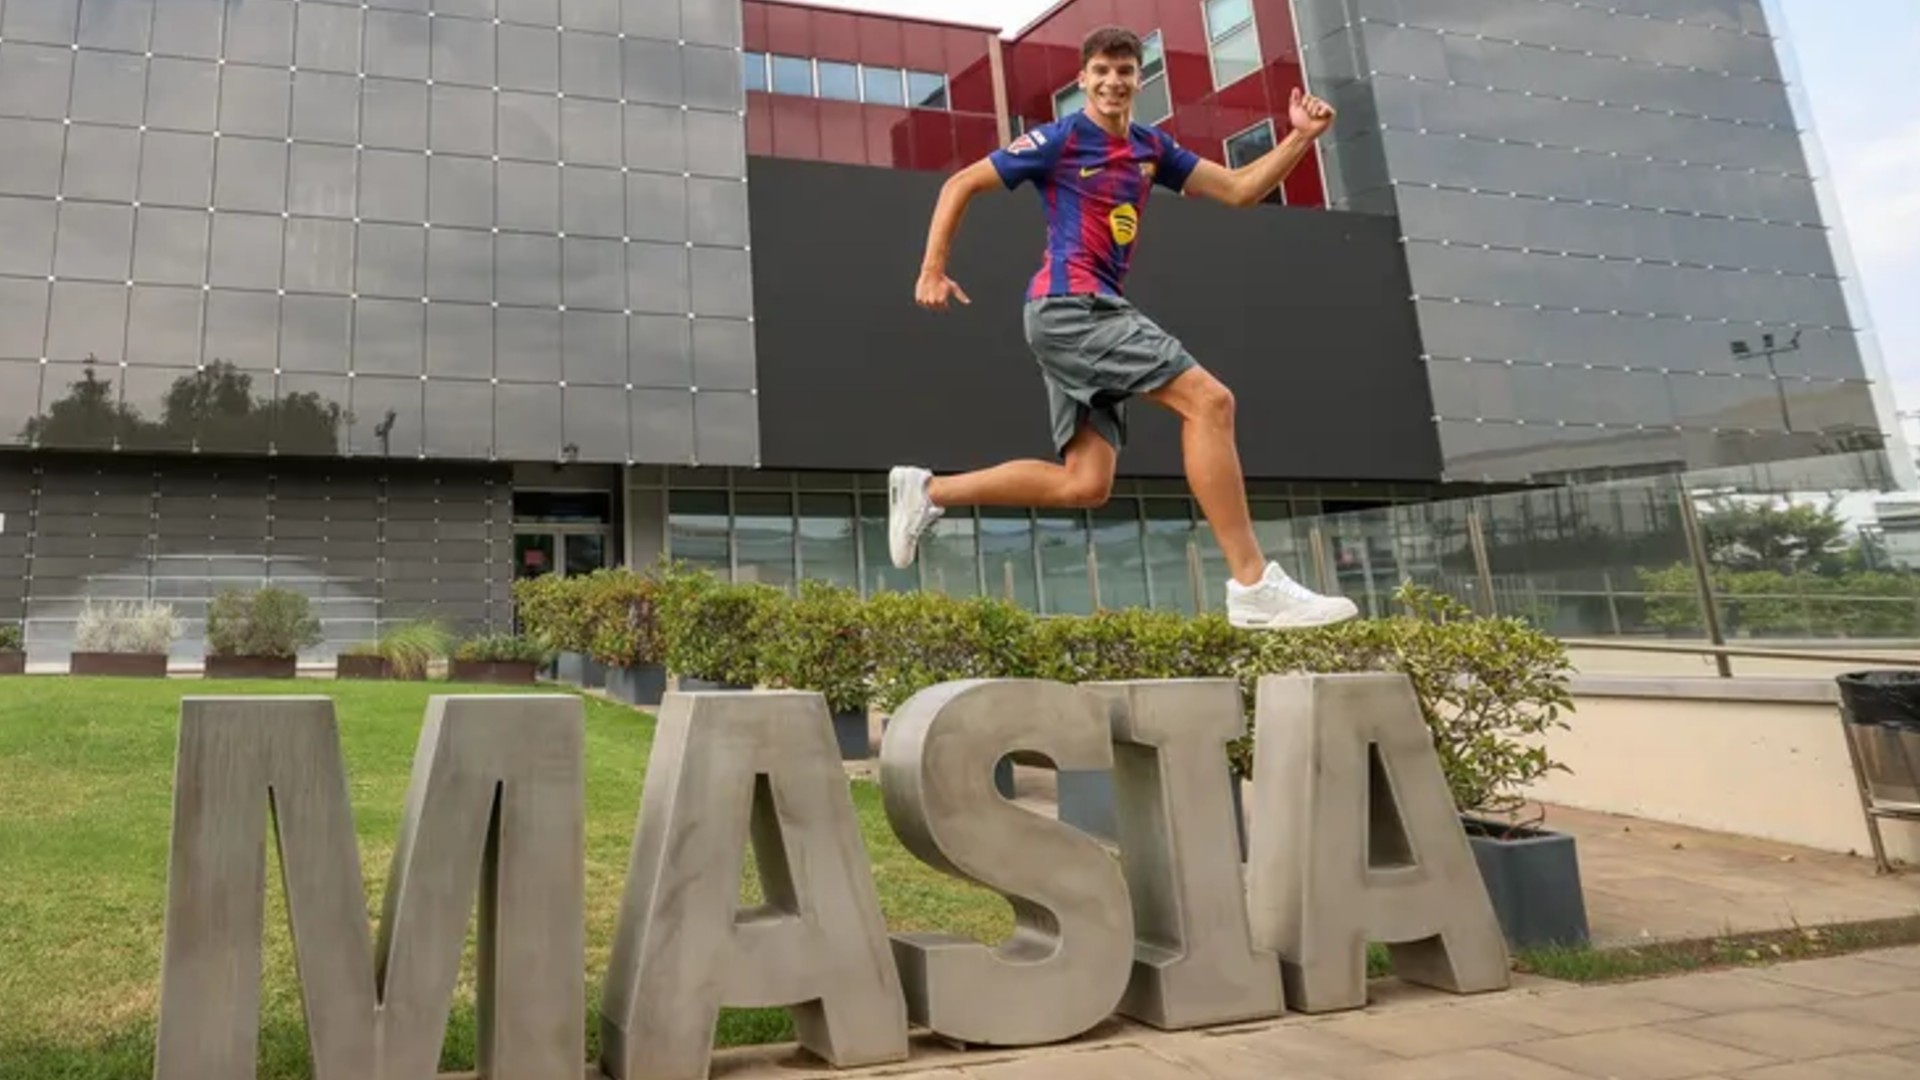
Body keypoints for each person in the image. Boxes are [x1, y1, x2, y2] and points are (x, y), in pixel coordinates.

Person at [886, 25, 1358, 630]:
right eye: (1101, 71)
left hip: (1087, 314)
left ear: (1140, 79)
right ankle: (1252, 585)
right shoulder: (1060, 138)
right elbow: (960, 183)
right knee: (1211, 402)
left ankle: (928, 492)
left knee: (1086, 485)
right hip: (1070, 308)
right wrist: (932, 270)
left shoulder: (1151, 148)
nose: (1113, 82)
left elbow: (1240, 189)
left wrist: (1300, 136)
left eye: (1125, 71)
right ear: (1082, 80)